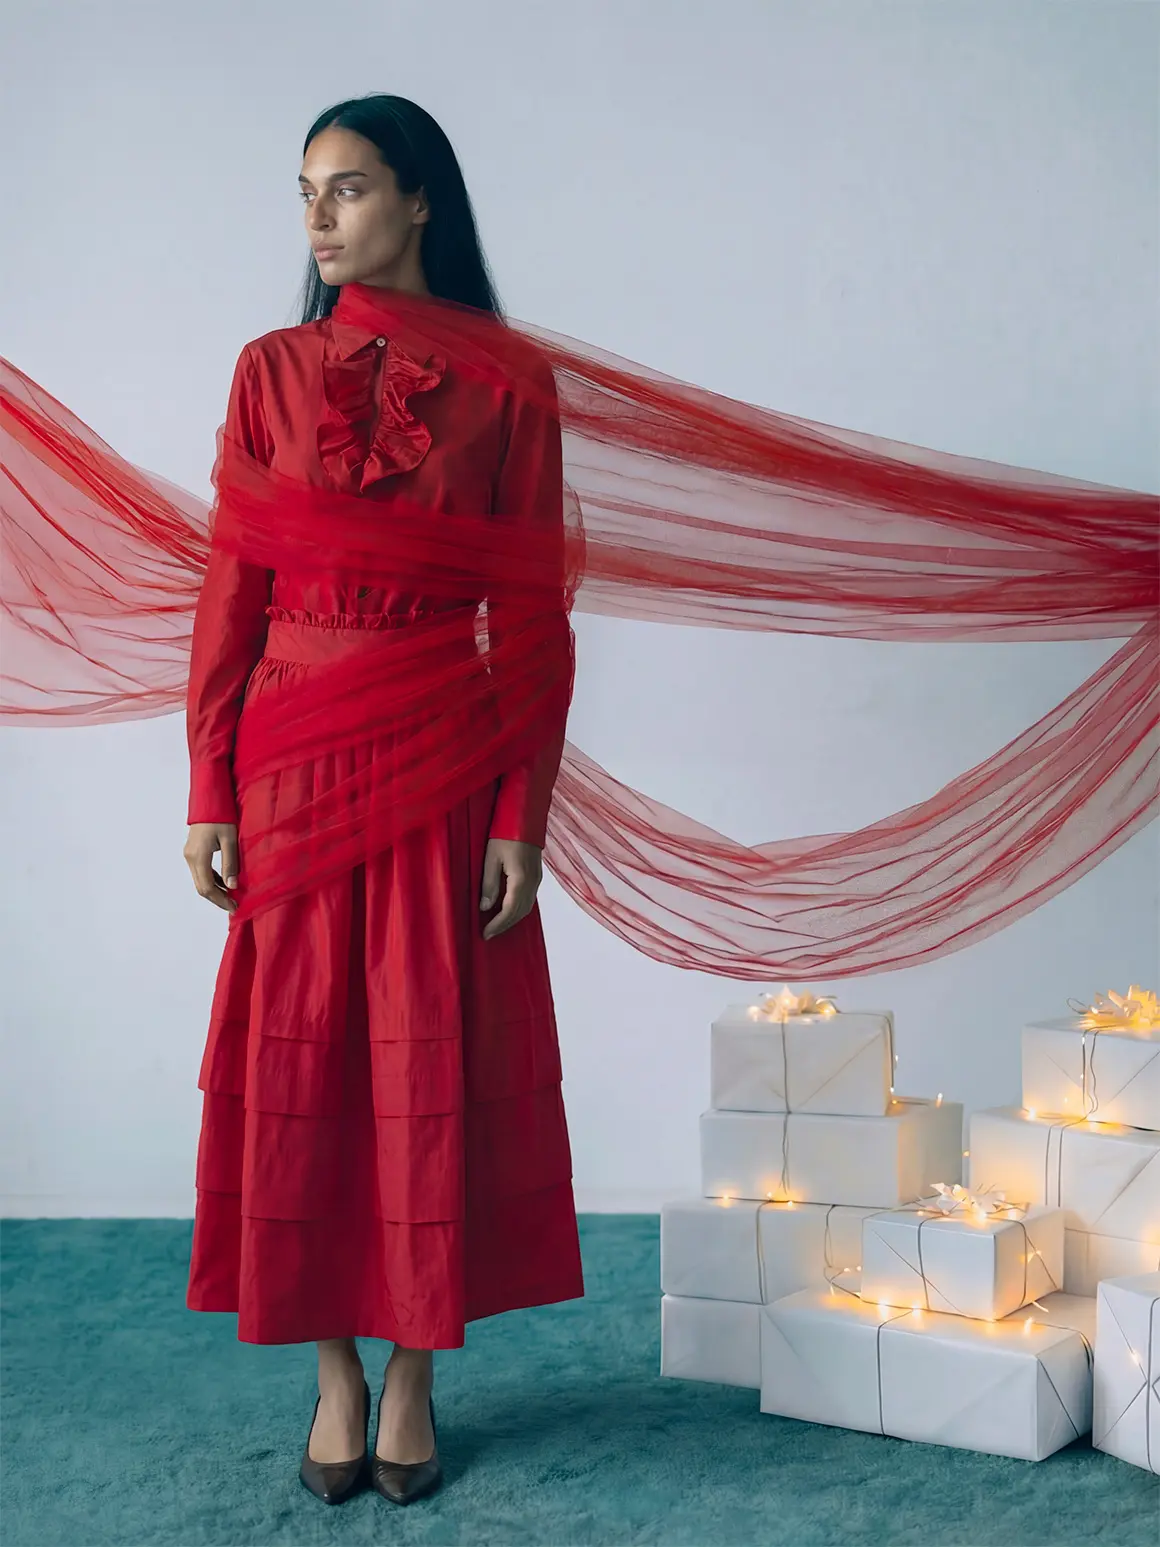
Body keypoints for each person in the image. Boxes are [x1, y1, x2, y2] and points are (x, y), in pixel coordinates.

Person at [181, 93, 584, 1507]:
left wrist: (522, 813)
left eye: (348, 189)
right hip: (290, 760)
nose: (319, 217)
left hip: (442, 755)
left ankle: (414, 1371)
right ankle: (334, 1371)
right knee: (307, 1067)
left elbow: (536, 618)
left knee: (426, 1064)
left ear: (420, 202)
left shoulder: (514, 383)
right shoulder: (269, 371)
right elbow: (230, 590)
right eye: (305, 192)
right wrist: (207, 782)